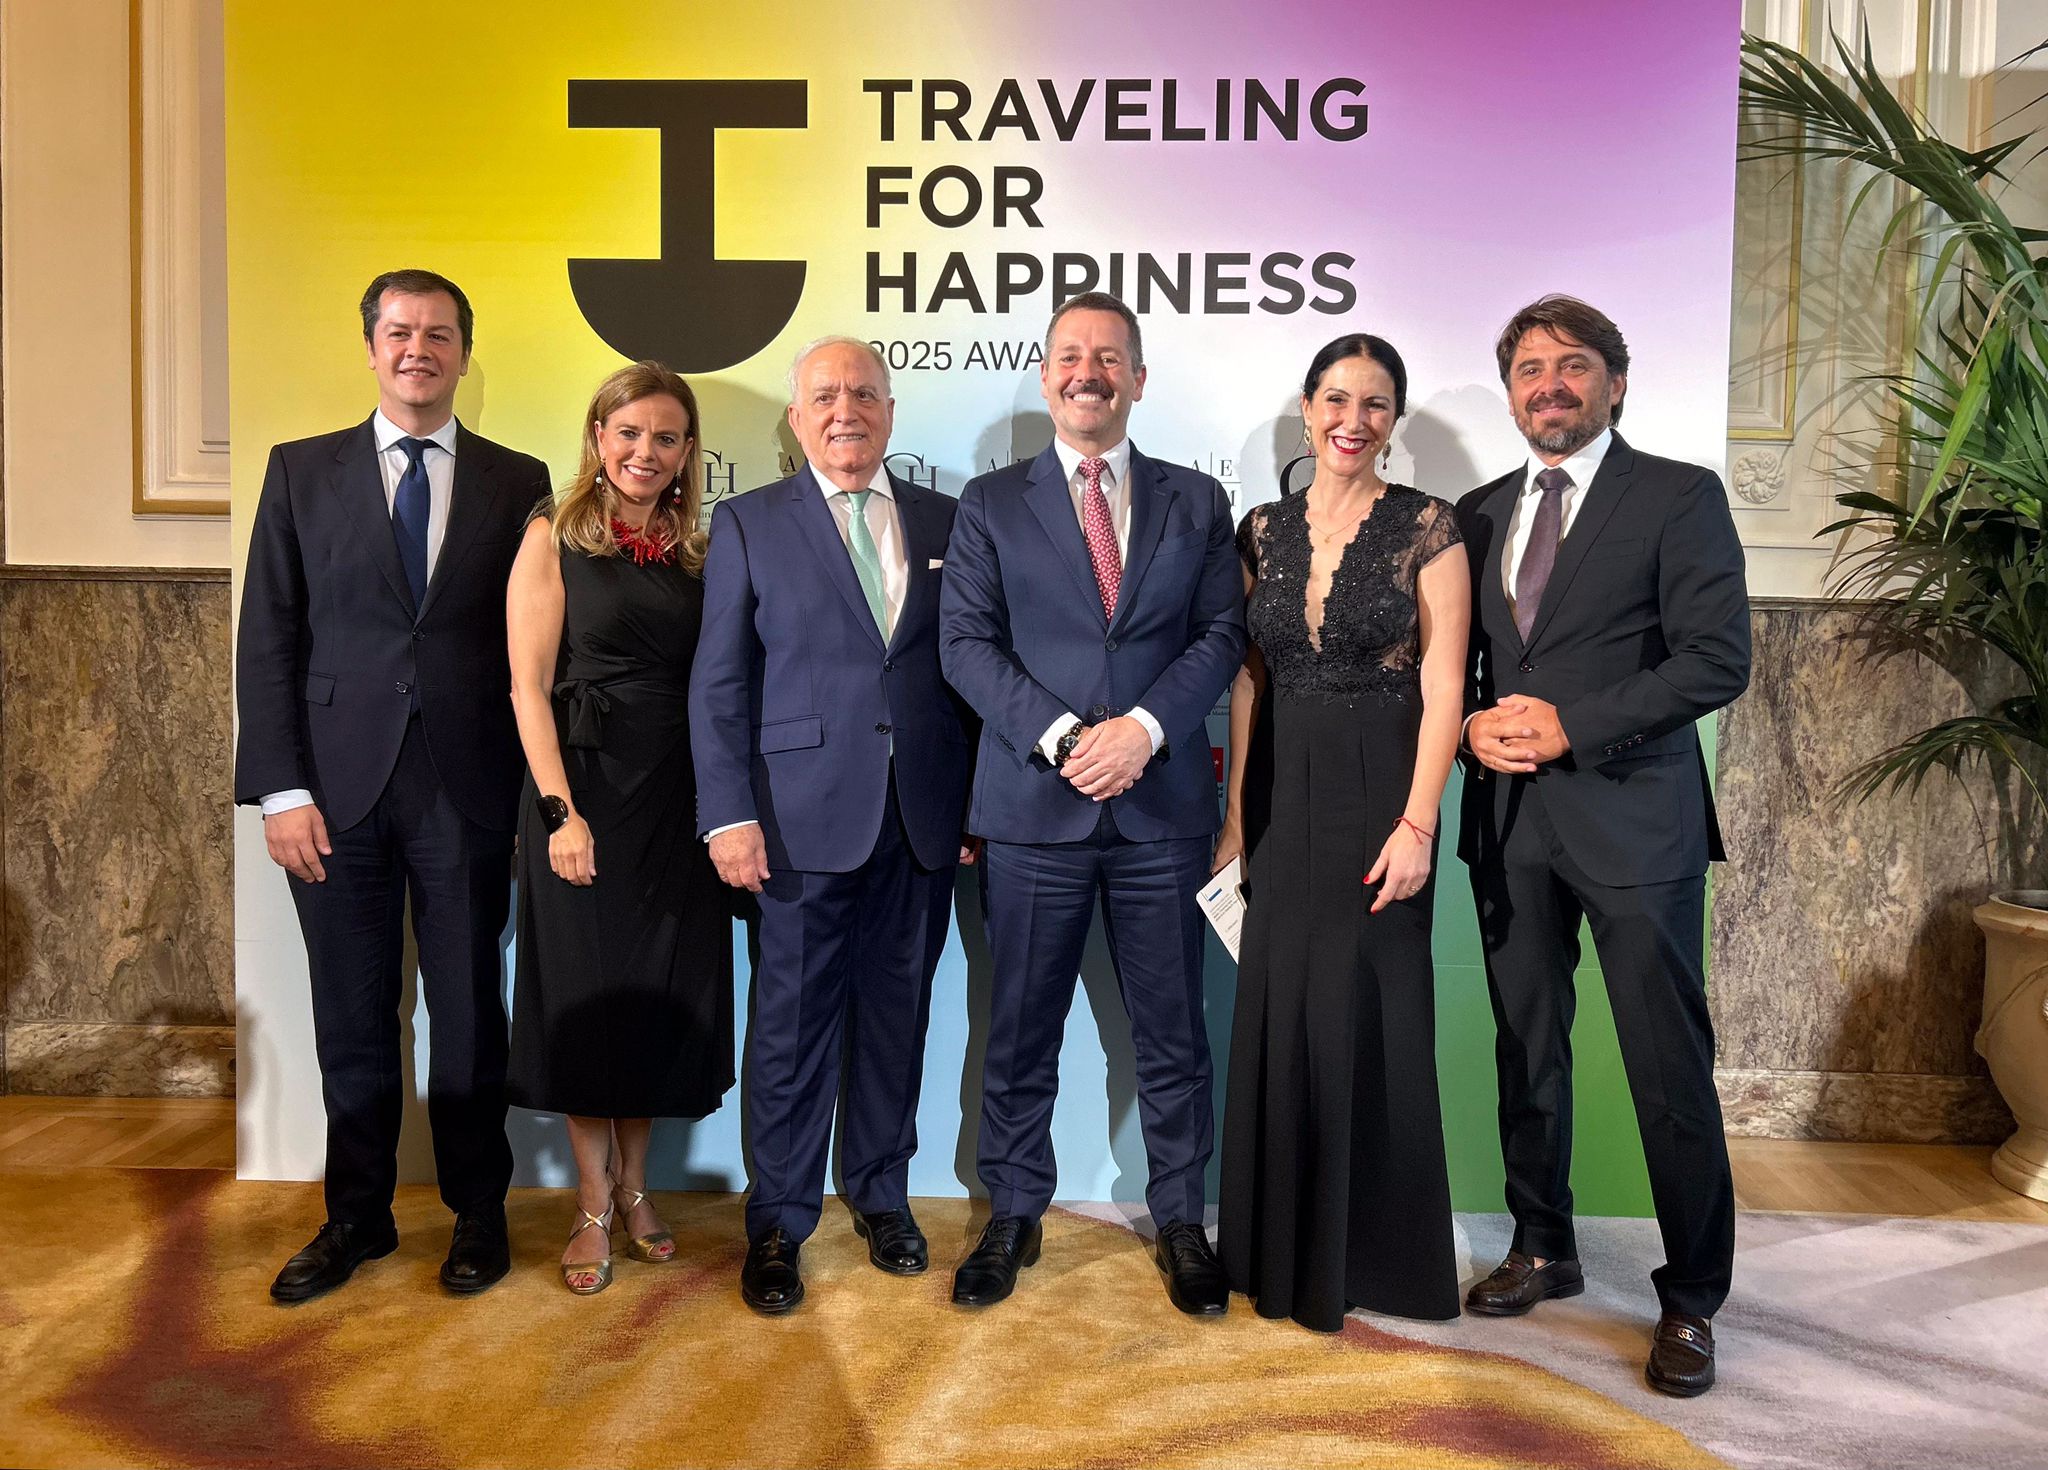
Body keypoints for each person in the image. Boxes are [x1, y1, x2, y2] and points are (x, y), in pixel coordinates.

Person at [235, 269, 551, 1302]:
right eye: (401, 332)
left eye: (439, 334)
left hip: (468, 790)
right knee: (353, 1016)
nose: (420, 349)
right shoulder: (299, 471)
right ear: (371, 347)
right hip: (332, 795)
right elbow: (268, 636)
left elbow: (529, 649)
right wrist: (279, 791)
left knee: (468, 1018)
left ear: (464, 353)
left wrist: (534, 797)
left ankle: (478, 1213)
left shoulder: (518, 479)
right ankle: (356, 1219)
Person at [1457, 295, 1750, 1397]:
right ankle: (1543, 1244)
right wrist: (1471, 728)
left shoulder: (1678, 494)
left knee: (1666, 1070)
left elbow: (1715, 659)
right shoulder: (1477, 513)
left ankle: (1692, 1297)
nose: (1550, 385)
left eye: (1572, 365)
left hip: (1636, 824)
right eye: (1529, 369)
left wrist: (1573, 725)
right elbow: (1462, 669)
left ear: (1614, 384)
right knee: (1526, 1049)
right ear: (1510, 393)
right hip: (1508, 827)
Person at [940, 291, 1247, 1313]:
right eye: (1070, 355)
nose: (1089, 373)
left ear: (1138, 379)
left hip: (1160, 813)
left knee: (1172, 1036)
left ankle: (1182, 1220)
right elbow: (964, 645)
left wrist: (1143, 730)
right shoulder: (990, 503)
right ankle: (1012, 1214)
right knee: (1019, 1031)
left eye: (1109, 357)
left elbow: (1219, 636)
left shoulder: (1196, 501)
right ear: (1044, 376)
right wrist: (1072, 739)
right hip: (1035, 811)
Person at [690, 337, 976, 1315]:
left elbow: (965, 671)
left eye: (862, 393)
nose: (844, 410)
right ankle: (777, 1220)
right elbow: (719, 685)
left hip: (919, 819)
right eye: (824, 396)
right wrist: (726, 814)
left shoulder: (946, 518)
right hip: (793, 819)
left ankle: (882, 1195)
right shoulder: (747, 522)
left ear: (890, 411)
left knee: (897, 1019)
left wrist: (970, 805)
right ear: (795, 418)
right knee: (790, 1026)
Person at [1214, 334, 1470, 1330]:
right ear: (1307, 407)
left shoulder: (1428, 526)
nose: (1351, 421)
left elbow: (1444, 684)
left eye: (1373, 404)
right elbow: (1250, 680)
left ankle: (1378, 1262)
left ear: (1392, 420)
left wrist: (1419, 823)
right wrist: (1237, 818)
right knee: (1283, 1013)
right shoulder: (1261, 531)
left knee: (1370, 1014)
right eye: (1335, 399)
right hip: (1283, 798)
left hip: (1380, 797)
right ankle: (1278, 1254)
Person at [503, 362, 734, 1294]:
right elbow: (527, 686)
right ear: (599, 437)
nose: (646, 451)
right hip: (583, 795)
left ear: (687, 452)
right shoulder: (552, 536)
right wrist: (561, 812)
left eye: (666, 438)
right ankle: (592, 1200)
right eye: (629, 432)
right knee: (586, 997)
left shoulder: (697, 551)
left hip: (675, 802)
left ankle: (638, 1186)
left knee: (651, 996)